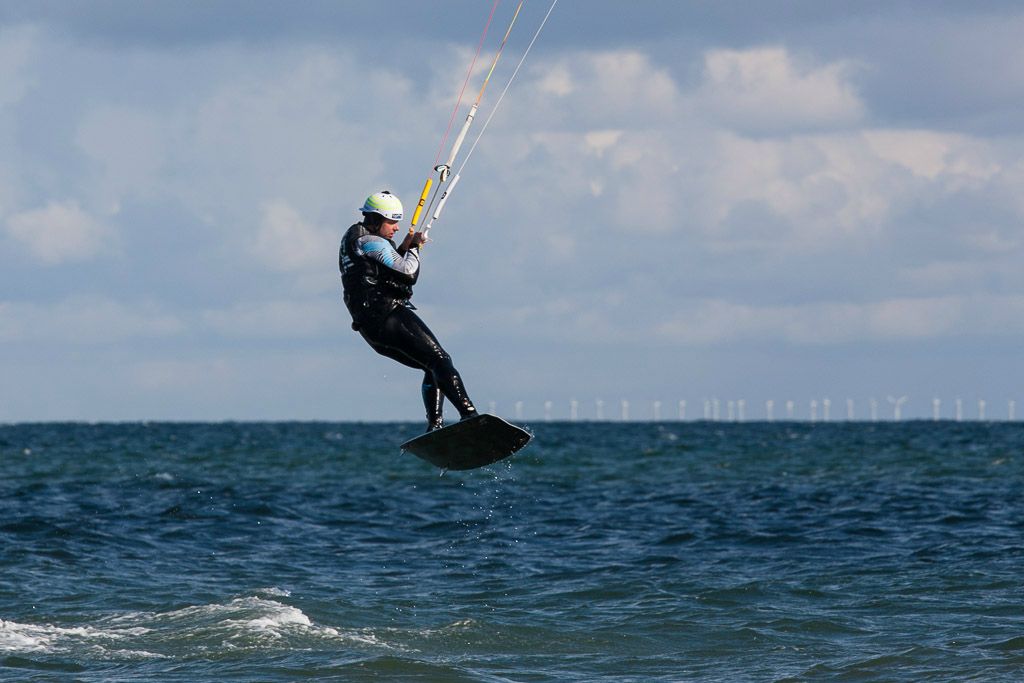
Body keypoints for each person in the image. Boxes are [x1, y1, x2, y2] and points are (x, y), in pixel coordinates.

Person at [339, 190, 478, 432]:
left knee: (430, 365)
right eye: (391, 222)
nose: (395, 227)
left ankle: (435, 426)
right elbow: (408, 273)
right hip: (387, 315)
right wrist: (414, 248)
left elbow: (378, 270)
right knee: (441, 360)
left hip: (371, 329)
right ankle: (470, 414)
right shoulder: (368, 241)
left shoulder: (354, 240)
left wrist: (403, 246)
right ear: (374, 219)